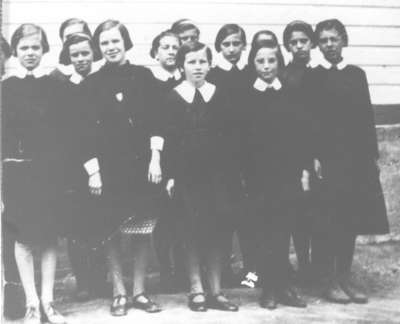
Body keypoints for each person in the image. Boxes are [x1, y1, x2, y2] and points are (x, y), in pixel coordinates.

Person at [303, 18, 389, 304]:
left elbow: (366, 117)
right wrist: (312, 156)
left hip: (355, 160)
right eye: (324, 40)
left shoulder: (356, 74)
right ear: (318, 45)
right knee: (329, 219)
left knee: (350, 220)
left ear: (343, 41)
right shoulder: (312, 77)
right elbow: (309, 121)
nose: (329, 45)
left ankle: (344, 277)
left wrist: (372, 156)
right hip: (327, 162)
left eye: (334, 39)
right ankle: (327, 281)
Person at [82, 19, 163, 316]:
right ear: (98, 47)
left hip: (141, 165)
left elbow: (157, 120)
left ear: (125, 42)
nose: (110, 47)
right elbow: (86, 131)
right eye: (104, 43)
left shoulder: (143, 76)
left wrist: (155, 158)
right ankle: (119, 292)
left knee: (142, 229)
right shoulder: (92, 83)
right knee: (113, 229)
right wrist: (95, 171)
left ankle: (139, 292)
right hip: (110, 168)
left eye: (115, 41)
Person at [163, 42, 238, 312]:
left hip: (216, 176)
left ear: (209, 64)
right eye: (192, 62)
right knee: (190, 231)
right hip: (186, 177)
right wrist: (170, 175)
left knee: (216, 231)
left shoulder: (219, 95)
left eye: (202, 62)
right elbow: (168, 139)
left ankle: (216, 290)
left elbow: (229, 137)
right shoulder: (173, 97)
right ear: (182, 65)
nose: (197, 67)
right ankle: (196, 288)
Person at [2, 24, 67, 324]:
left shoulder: (54, 86)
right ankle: (30, 303)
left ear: (44, 51)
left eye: (36, 48)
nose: (30, 53)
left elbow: (63, 132)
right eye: (25, 48)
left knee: (49, 237)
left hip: (49, 171)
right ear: (15, 51)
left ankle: (48, 302)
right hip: (17, 172)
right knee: (24, 239)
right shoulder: (6, 88)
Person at [244, 40, 309, 310]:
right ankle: (268, 287)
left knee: (283, 228)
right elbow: (241, 140)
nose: (267, 66)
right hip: (259, 176)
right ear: (253, 64)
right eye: (261, 61)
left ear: (279, 63)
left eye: (271, 61)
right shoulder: (246, 96)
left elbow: (301, 134)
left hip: (287, 174)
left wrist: (303, 171)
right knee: (264, 230)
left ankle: (284, 285)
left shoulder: (291, 93)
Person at [54, 32, 108, 301]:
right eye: (75, 55)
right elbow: (73, 134)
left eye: (86, 53)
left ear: (93, 53)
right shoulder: (65, 89)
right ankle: (85, 282)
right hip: (77, 169)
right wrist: (91, 170)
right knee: (79, 227)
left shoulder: (100, 84)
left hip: (107, 163)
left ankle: (102, 280)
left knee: (102, 225)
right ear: (69, 58)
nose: (81, 59)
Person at [207, 23, 252, 288]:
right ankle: (222, 270)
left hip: (247, 157)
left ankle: (251, 272)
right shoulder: (212, 76)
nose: (232, 49)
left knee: (248, 217)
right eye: (227, 44)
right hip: (221, 158)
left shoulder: (249, 75)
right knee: (222, 216)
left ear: (243, 46)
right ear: (219, 48)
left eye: (237, 43)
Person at [281, 20, 323, 285]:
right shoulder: (285, 76)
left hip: (323, 153)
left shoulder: (321, 73)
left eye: (303, 41)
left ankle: (317, 268)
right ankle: (298, 265)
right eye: (293, 42)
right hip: (296, 154)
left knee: (318, 213)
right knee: (297, 211)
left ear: (312, 42)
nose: (299, 46)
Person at [148, 30, 186, 293]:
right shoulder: (149, 82)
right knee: (162, 219)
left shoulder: (188, 81)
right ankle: (166, 271)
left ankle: (184, 271)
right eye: (165, 47)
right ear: (156, 52)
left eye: (175, 47)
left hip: (184, 157)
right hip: (158, 159)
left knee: (184, 216)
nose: (171, 51)